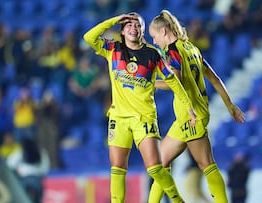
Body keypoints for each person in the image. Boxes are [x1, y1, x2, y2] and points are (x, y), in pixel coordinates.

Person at [83, 12, 196, 203]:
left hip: (144, 118)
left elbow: (174, 82)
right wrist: (114, 19)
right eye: (129, 24)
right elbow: (89, 37)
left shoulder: (152, 54)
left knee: (154, 168)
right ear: (122, 30)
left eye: (137, 25)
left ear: (143, 30)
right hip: (118, 119)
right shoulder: (113, 49)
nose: (133, 28)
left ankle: (177, 200)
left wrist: (188, 106)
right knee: (117, 167)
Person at [147, 10, 246, 203]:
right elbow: (215, 79)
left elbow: (173, 81)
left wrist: (149, 83)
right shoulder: (191, 48)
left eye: (154, 36)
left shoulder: (173, 51)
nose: (155, 41)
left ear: (165, 32)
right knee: (160, 164)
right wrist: (229, 105)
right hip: (187, 116)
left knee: (206, 164)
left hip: (192, 116)